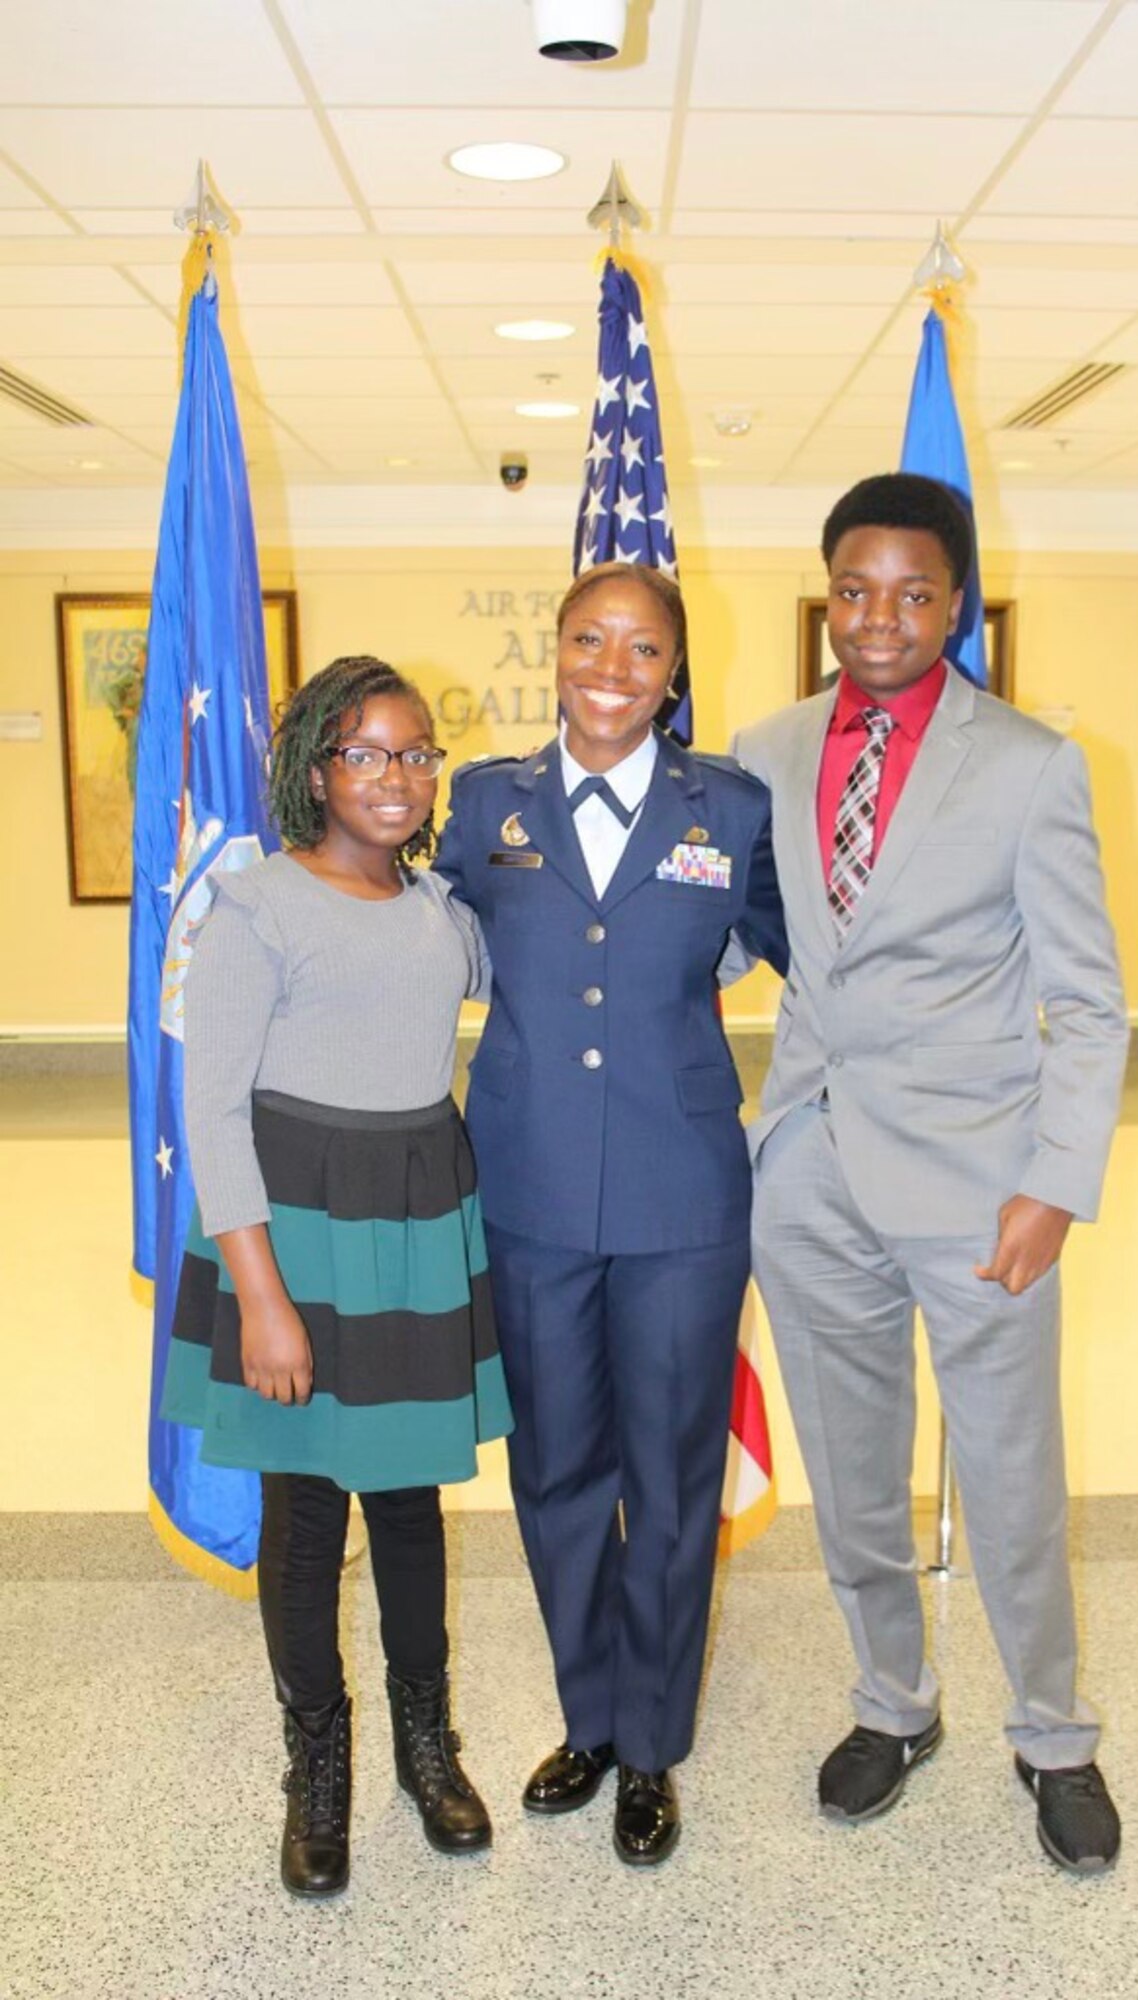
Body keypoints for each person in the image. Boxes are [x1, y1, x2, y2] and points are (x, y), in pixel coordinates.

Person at [734, 474, 1128, 1875]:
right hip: (810, 1171)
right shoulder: (763, 752)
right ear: (826, 595)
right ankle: (893, 1705)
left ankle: (1054, 1734)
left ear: (956, 602)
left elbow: (1087, 1000)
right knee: (851, 1472)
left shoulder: (1028, 764)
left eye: (912, 593)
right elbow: (722, 941)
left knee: (1013, 1477)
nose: (880, 619)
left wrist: (1055, 1183)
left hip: (980, 1184)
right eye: (854, 591)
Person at [437, 561, 787, 1866]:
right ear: (559, 647)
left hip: (685, 1192)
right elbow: (423, 937)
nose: (611, 668)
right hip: (526, 1187)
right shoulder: (484, 807)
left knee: (673, 1480)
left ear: (673, 671)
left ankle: (652, 1746)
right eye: (591, 639)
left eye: (644, 650)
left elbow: (790, 951)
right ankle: (589, 1719)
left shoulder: (731, 811)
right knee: (557, 1471)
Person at [161, 657, 512, 1899]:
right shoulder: (259, 905)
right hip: (296, 1228)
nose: (397, 777)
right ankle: (318, 1764)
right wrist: (260, 1293)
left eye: (417, 754)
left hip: (415, 1213)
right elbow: (210, 1107)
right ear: (318, 769)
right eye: (366, 753)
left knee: (410, 1506)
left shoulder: (440, 912)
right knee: (307, 1519)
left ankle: (428, 1742)